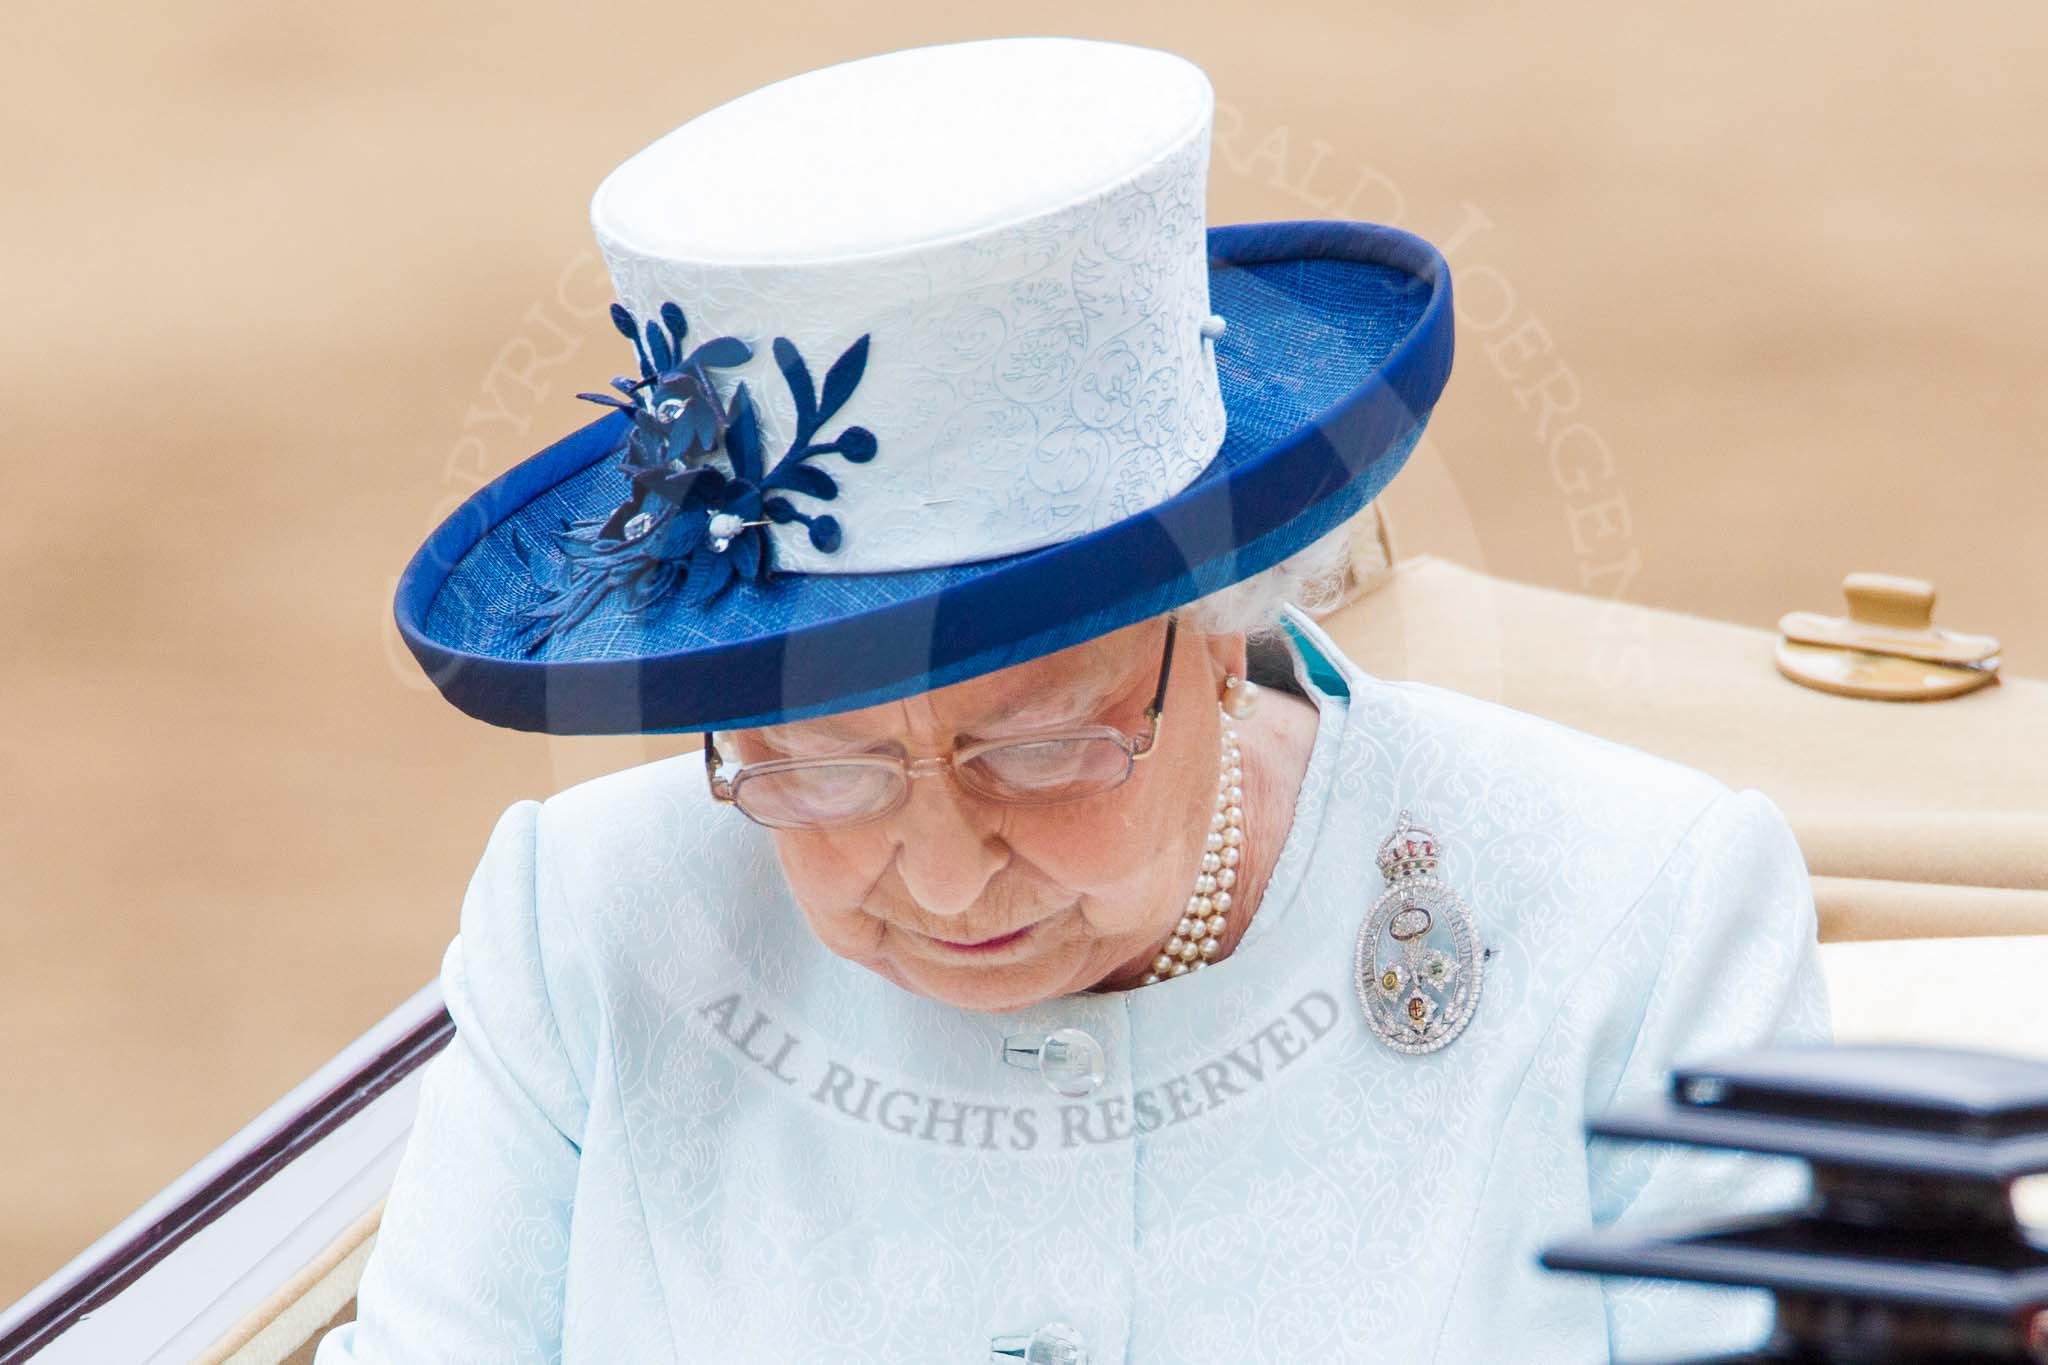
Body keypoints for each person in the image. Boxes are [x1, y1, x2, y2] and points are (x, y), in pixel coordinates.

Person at [334, 36, 1830, 1363]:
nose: (939, 871)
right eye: (826, 763)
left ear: (1224, 620)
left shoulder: (1641, 911)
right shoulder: (586, 922)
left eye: (1039, 746)